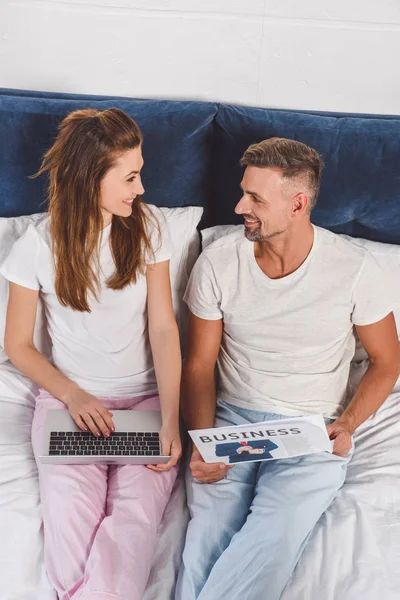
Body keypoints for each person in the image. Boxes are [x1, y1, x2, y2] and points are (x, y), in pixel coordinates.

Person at [176, 137, 400, 600]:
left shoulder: (355, 268)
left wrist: (348, 423)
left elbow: (387, 360)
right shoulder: (219, 262)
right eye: (243, 192)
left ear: (298, 204)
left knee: (273, 541)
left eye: (255, 198)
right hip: (232, 420)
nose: (240, 206)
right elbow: (199, 365)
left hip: (311, 428)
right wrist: (202, 441)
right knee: (205, 537)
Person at [1, 108, 182, 600]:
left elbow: (164, 328)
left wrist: (170, 418)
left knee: (135, 525)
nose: (141, 188)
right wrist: (75, 397)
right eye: (130, 176)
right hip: (69, 405)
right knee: (68, 532)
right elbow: (16, 344)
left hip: (144, 404)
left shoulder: (151, 229)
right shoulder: (36, 246)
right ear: (89, 177)